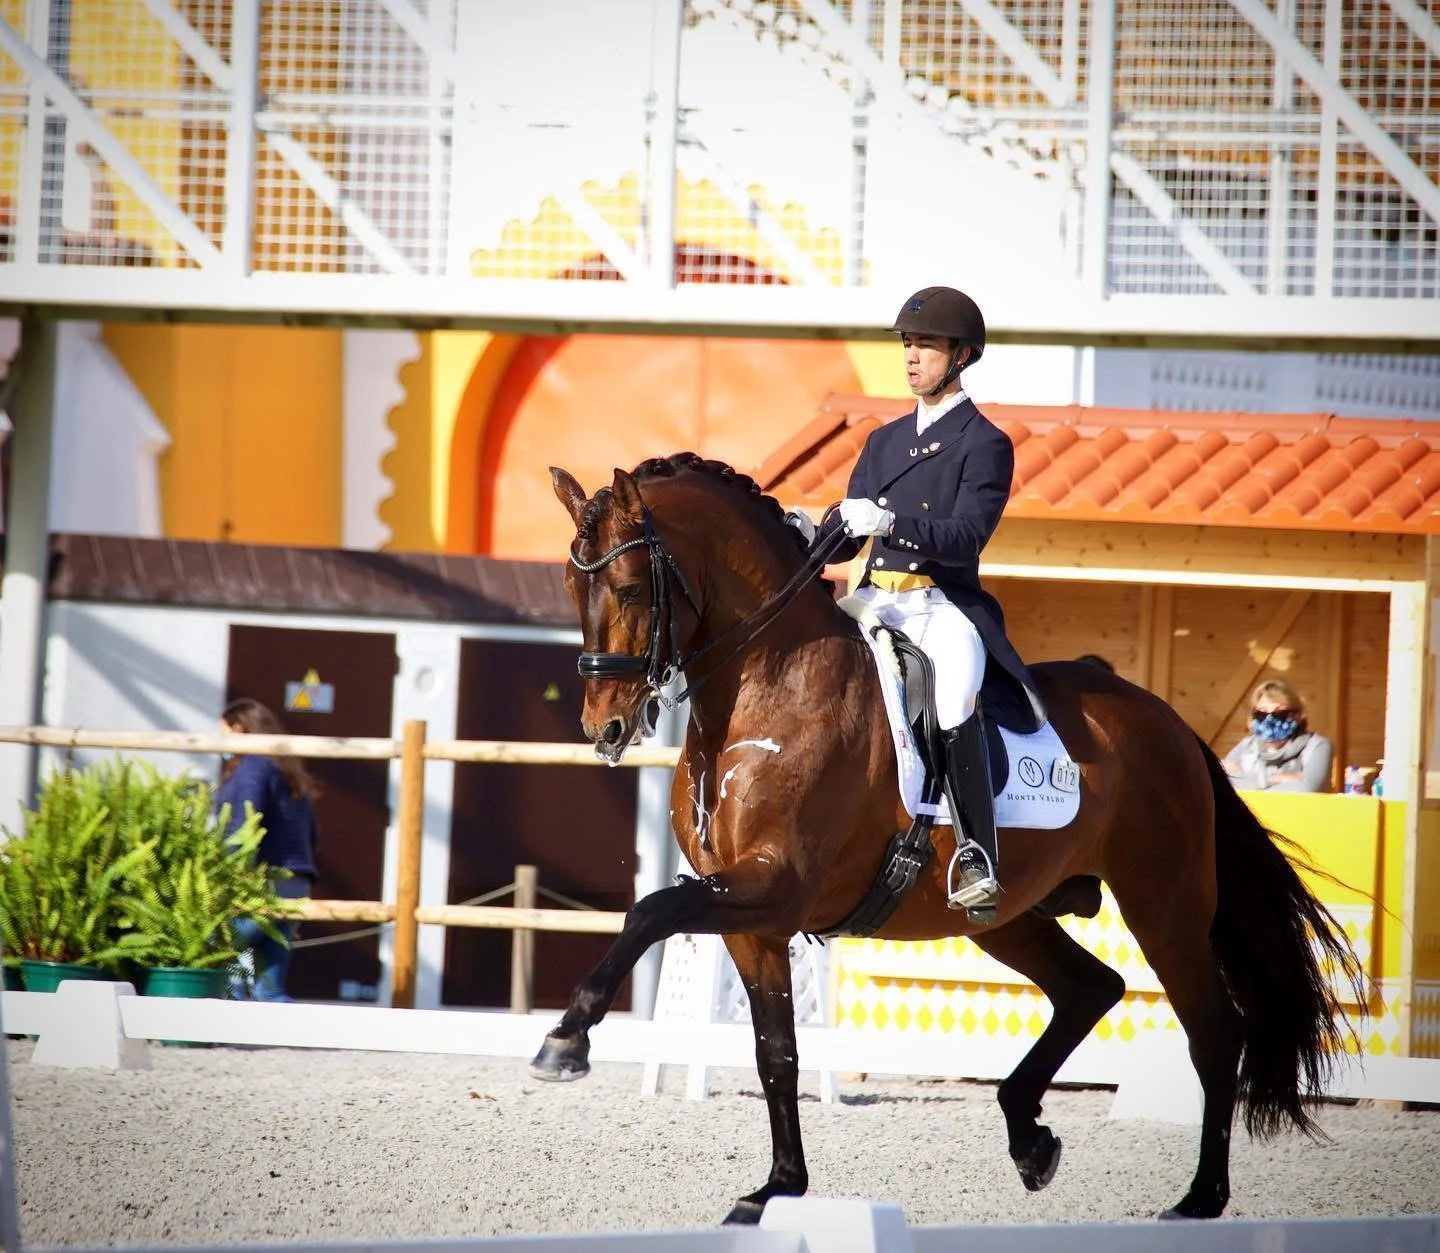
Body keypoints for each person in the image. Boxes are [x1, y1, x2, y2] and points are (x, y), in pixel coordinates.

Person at [787, 286, 1044, 919]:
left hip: (939, 607)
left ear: (960, 356)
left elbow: (965, 538)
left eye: (925, 344)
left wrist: (890, 520)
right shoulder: (883, 442)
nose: (911, 356)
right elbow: (846, 536)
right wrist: (803, 533)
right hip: (873, 602)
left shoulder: (984, 444)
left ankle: (976, 852)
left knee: (954, 695)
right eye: (907, 343)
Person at [215, 697, 320, 1001]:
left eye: (223, 734)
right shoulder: (287, 770)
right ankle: (291, 1042)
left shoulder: (253, 767)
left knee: (214, 954)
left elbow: (243, 822)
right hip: (296, 882)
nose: (219, 743)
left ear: (239, 728)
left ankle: (217, 1034)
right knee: (270, 988)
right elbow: (312, 832)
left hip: (262, 881)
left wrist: (226, 874)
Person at [1222, 678, 1333, 793]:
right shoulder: (1247, 746)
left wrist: (1245, 779)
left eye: (1279, 712)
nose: (1269, 719)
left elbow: (1308, 788)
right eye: (1262, 713)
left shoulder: (1317, 745)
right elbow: (1222, 784)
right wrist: (1276, 779)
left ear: (1297, 715)